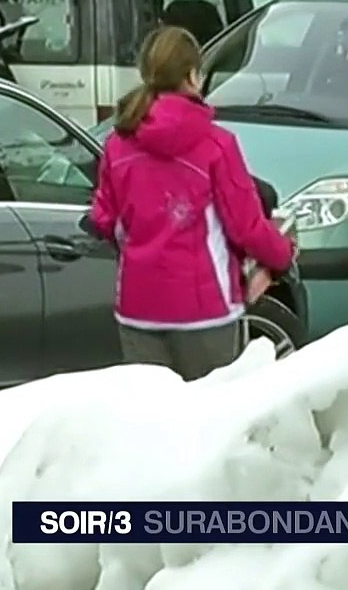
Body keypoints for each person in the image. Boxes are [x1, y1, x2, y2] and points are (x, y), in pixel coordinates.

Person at [89, 26, 295, 381]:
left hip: (139, 307)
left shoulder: (117, 144)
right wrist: (282, 254)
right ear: (192, 76)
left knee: (151, 409)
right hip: (205, 310)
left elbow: (105, 219)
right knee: (213, 407)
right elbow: (245, 226)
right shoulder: (217, 144)